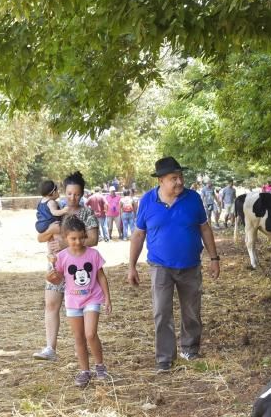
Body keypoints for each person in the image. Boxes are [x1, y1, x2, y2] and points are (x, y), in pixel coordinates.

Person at [128, 157, 221, 372]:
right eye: (173, 178)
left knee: (191, 310)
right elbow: (139, 234)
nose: (179, 182)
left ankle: (190, 349)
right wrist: (131, 265)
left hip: (190, 265)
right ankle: (165, 359)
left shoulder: (193, 199)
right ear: (161, 180)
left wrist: (214, 258)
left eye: (181, 177)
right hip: (160, 266)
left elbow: (205, 228)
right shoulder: (148, 201)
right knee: (161, 311)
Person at [33, 172, 100, 362]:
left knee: (81, 309)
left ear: (82, 193)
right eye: (69, 193)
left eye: (77, 194)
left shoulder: (86, 213)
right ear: (64, 192)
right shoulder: (56, 209)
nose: (73, 198)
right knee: (51, 304)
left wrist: (66, 244)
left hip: (80, 270)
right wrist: (51, 231)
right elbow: (40, 237)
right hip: (57, 265)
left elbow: (94, 239)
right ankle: (50, 348)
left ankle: (85, 345)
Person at [45, 216, 111, 387]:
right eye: (73, 238)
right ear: (65, 238)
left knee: (90, 334)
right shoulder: (61, 256)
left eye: (81, 237)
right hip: (73, 301)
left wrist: (107, 298)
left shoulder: (93, 254)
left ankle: (100, 366)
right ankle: (84, 371)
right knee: (79, 337)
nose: (78, 241)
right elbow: (58, 279)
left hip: (92, 298)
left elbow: (101, 277)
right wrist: (51, 276)